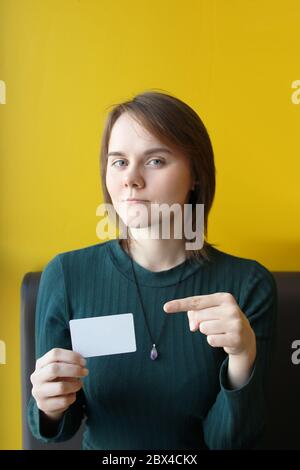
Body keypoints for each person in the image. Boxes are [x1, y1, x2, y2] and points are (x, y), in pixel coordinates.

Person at [27, 90, 277, 450]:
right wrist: (48, 406)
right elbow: (57, 428)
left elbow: (227, 442)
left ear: (195, 175)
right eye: (119, 162)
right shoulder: (66, 275)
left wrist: (242, 359)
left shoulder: (248, 285)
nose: (131, 179)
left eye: (155, 161)